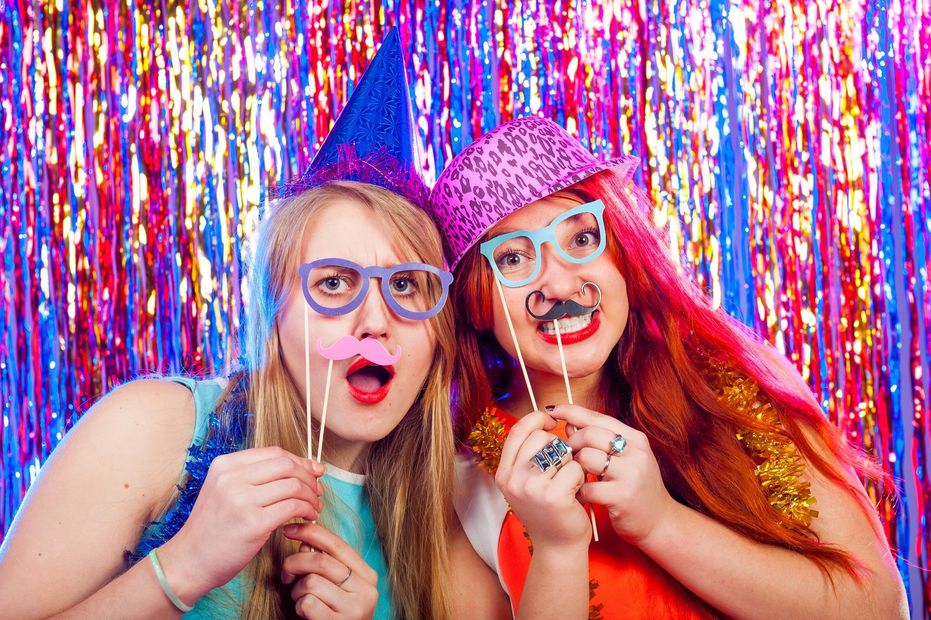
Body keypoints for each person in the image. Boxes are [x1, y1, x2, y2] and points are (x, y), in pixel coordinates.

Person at [0, 31, 507, 619]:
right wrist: (183, 567)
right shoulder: (158, 426)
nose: (375, 321)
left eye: (405, 285)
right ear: (275, 315)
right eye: (334, 284)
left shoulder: (448, 511)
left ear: (439, 330)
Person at [427, 116, 908, 618]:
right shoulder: (458, 480)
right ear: (475, 302)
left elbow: (878, 608)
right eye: (511, 259)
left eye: (581, 238)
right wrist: (556, 546)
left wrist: (659, 522)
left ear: (621, 251)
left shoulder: (735, 385)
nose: (563, 287)